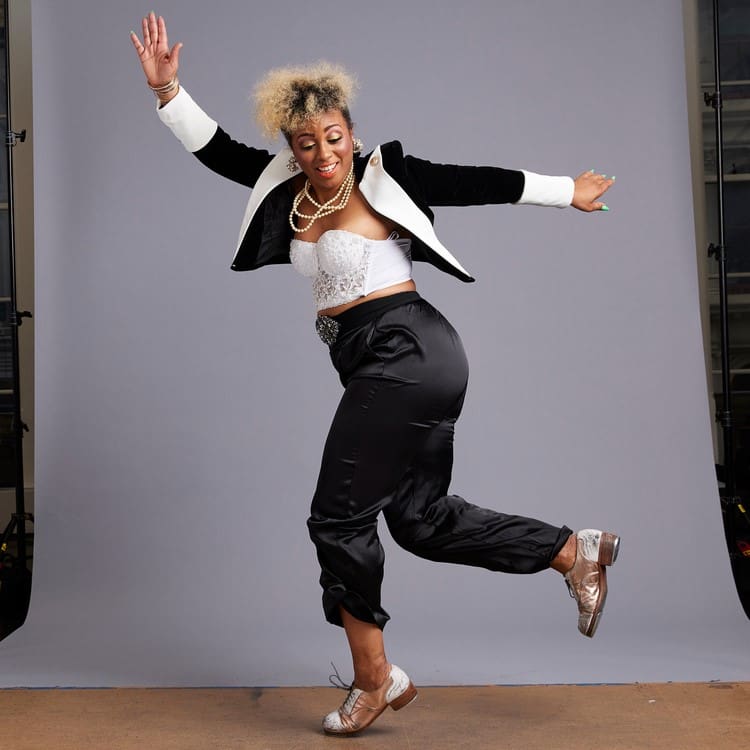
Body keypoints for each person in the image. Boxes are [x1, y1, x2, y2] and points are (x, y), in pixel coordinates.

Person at [131, 12, 619, 736]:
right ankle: (572, 550)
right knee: (419, 522)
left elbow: (474, 180)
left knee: (336, 517)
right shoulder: (285, 187)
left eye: (334, 136)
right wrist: (169, 91)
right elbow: (216, 150)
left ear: (351, 131)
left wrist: (563, 190)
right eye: (307, 142)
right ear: (292, 146)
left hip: (408, 349)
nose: (324, 152)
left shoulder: (386, 176)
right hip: (377, 362)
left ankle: (374, 678)